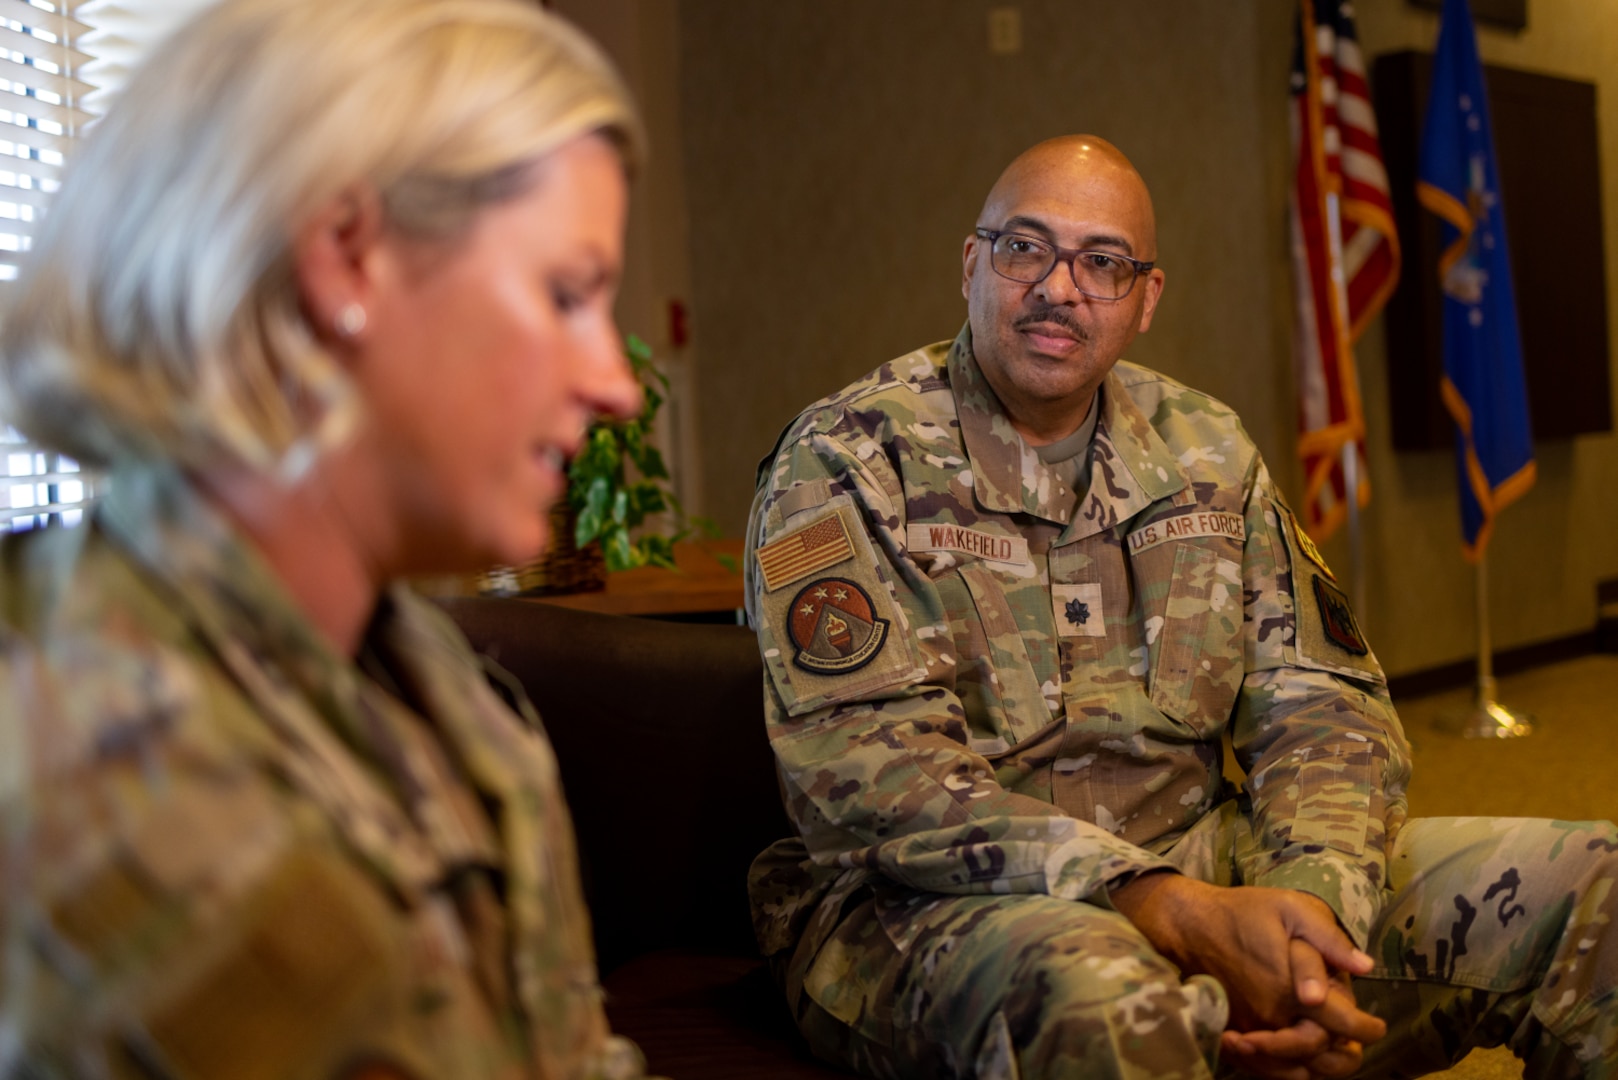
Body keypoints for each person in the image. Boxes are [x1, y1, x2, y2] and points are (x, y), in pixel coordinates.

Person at [744, 135, 1618, 1080]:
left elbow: (1325, 708)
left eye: (1103, 263)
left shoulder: (1208, 449)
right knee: (1117, 1005)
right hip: (937, 908)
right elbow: (872, 773)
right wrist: (1173, 913)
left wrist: (1308, 908)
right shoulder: (845, 458)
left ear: (1146, 298)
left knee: (1595, 888)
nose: (1059, 287)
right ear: (972, 266)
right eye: (1025, 248)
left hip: (1209, 861)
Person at [0, 1, 656, 1076]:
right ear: (347, 257)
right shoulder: (98, 778)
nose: (615, 383)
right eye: (565, 293)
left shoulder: (428, 683)